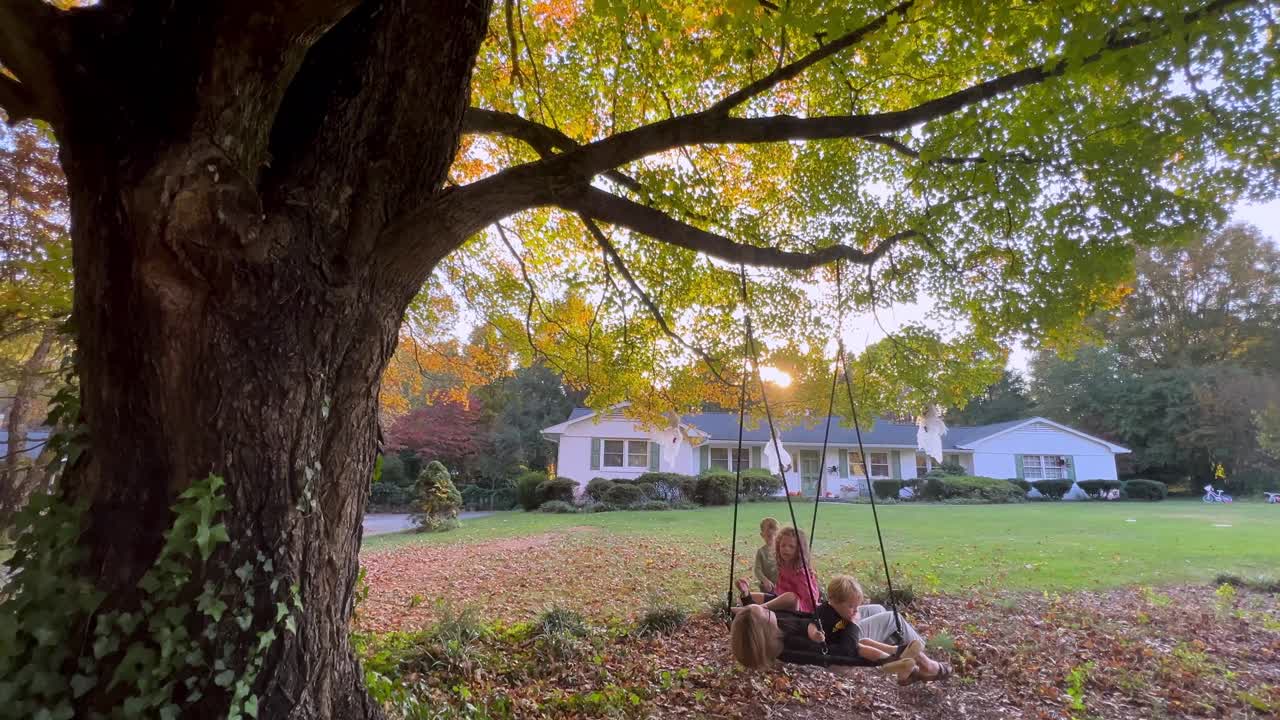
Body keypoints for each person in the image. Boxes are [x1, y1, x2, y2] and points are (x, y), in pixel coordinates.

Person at [731, 574, 952, 686]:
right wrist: (852, 622)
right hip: (842, 637)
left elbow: (788, 605)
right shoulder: (790, 645)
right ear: (761, 630)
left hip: (831, 623)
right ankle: (927, 665)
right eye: (765, 614)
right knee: (890, 619)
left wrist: (749, 602)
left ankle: (912, 661)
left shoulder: (775, 625)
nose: (768, 612)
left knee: (876, 608)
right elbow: (843, 651)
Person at [753, 517, 780, 594]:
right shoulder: (761, 552)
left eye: (775, 535)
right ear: (762, 535)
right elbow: (757, 570)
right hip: (767, 587)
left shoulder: (781, 550)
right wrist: (765, 580)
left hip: (781, 585)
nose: (772, 538)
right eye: (769, 536)